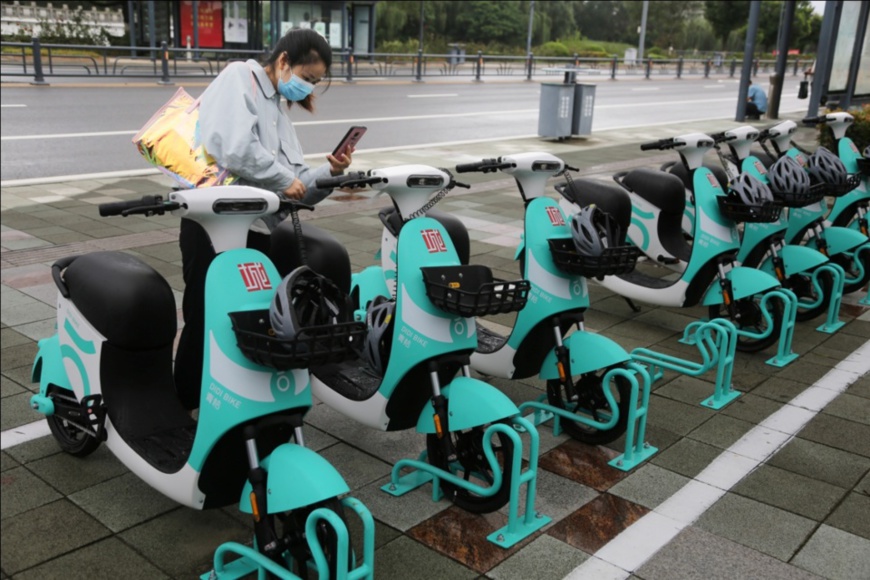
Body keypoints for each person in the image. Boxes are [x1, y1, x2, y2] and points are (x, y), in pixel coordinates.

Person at [174, 28, 353, 411]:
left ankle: (234, 398)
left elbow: (297, 185)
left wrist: (331, 174)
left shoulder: (279, 112)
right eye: (307, 78)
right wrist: (284, 180)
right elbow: (232, 144)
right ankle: (187, 400)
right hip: (213, 223)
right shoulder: (241, 76)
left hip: (257, 227)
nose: (307, 89)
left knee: (247, 317)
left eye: (315, 83)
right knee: (206, 312)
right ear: (284, 61)